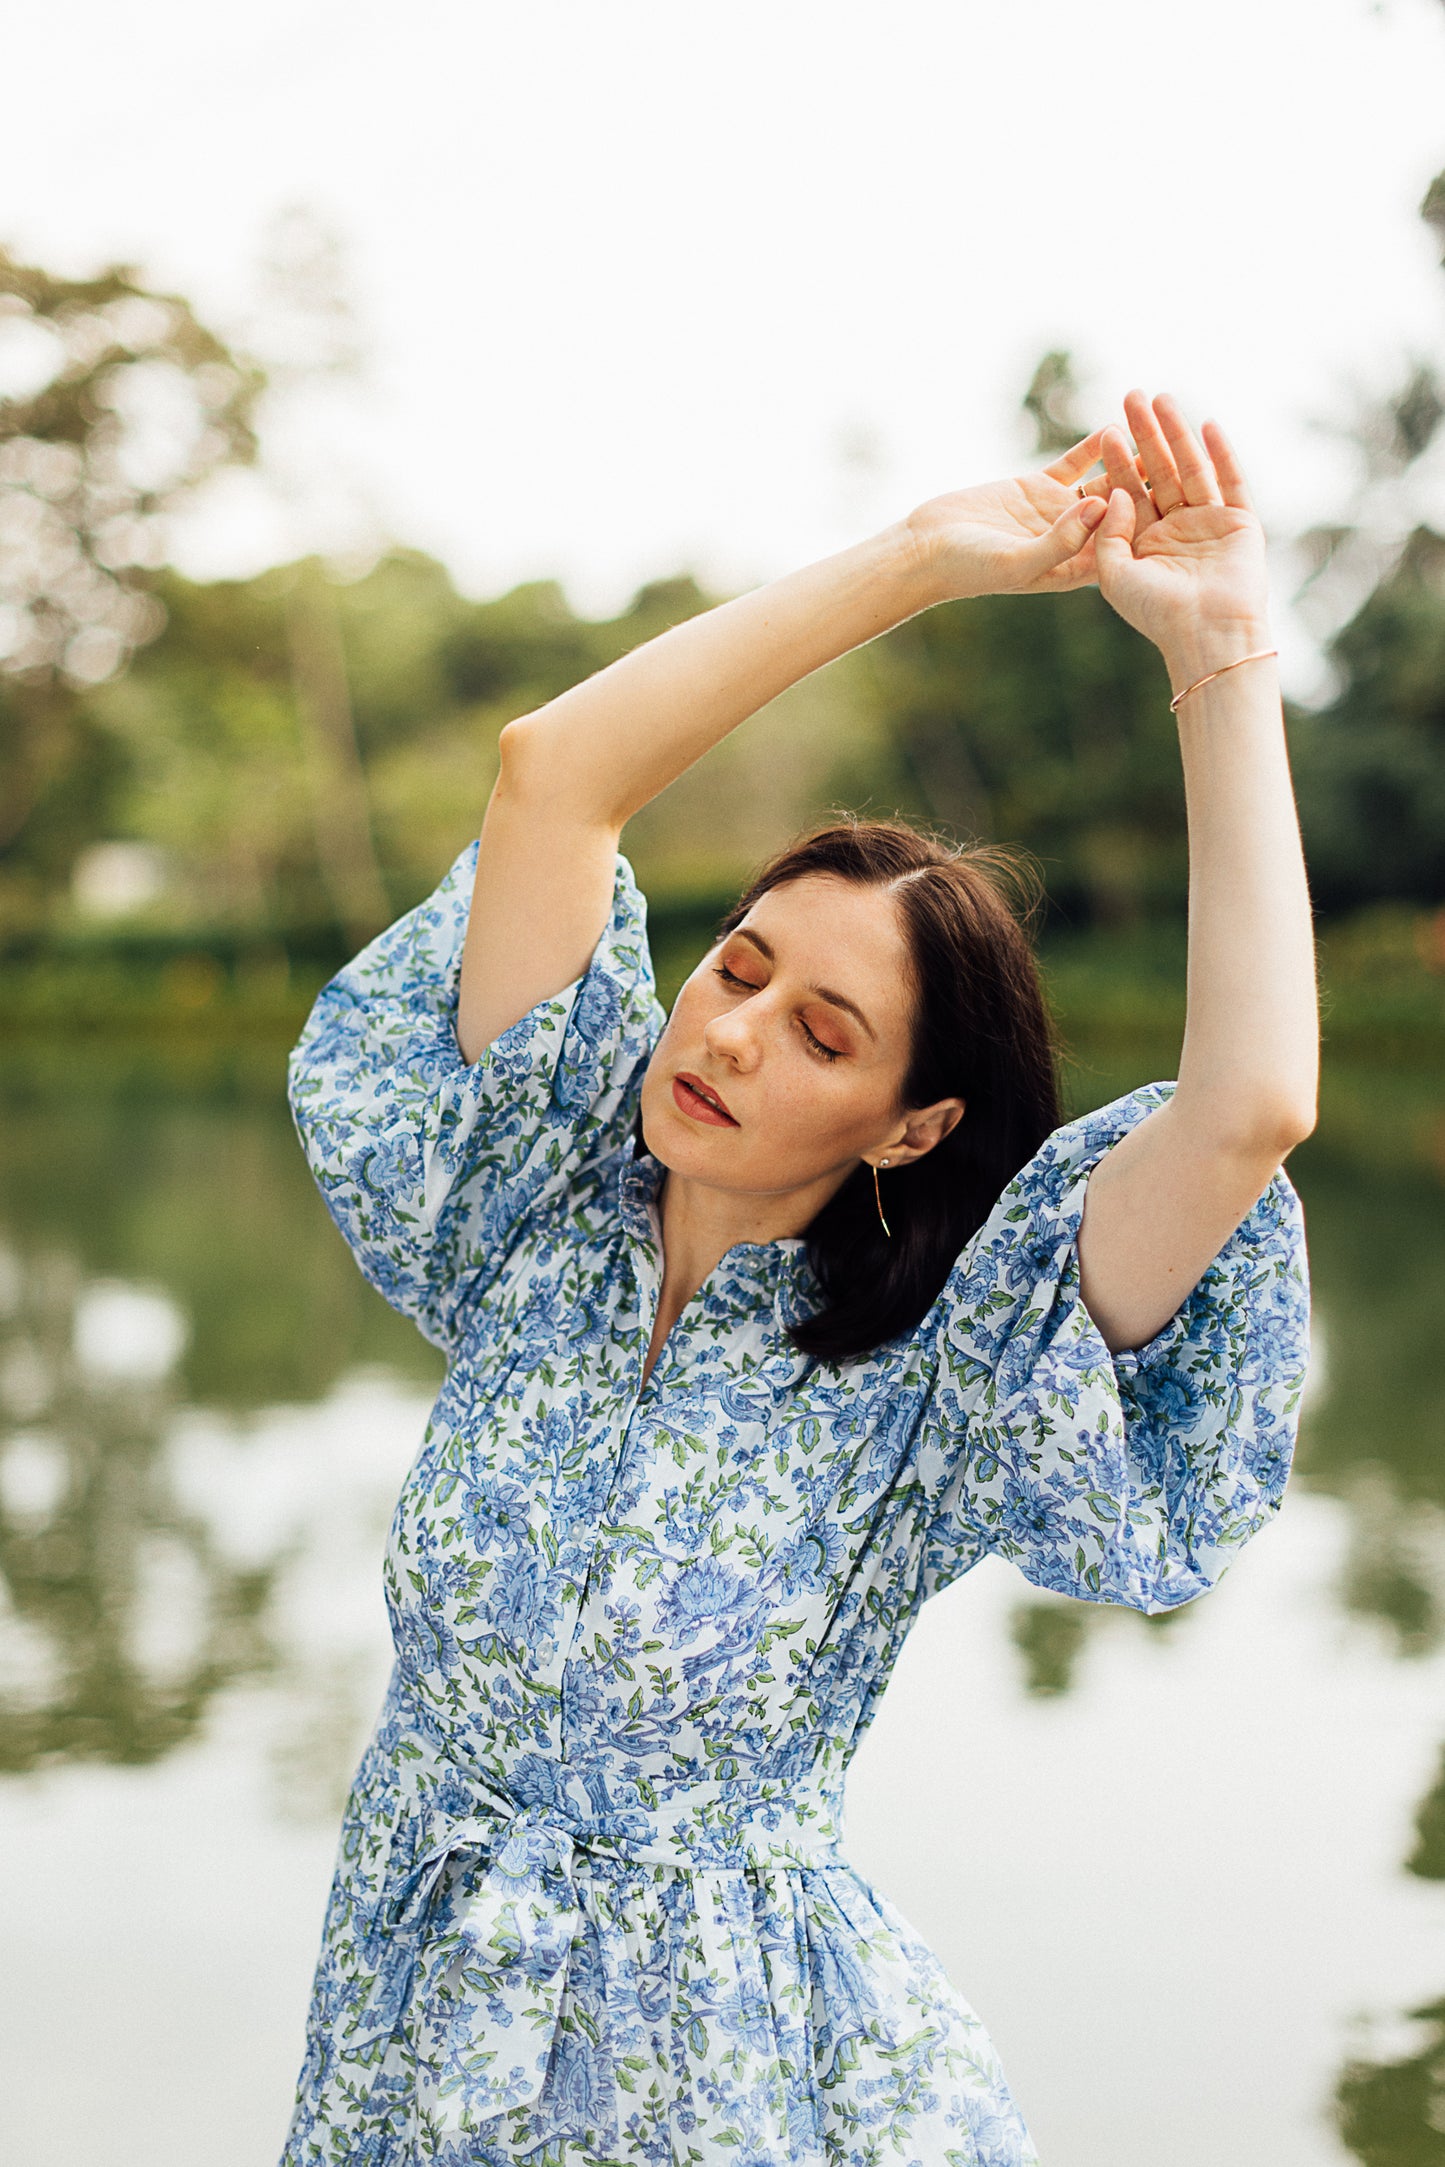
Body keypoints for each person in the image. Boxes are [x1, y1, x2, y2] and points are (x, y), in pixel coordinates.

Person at [280, 389, 1315, 2167]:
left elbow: (1247, 1110)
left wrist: (1218, 652)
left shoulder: (944, 1373)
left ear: (911, 1127)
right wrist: (921, 557)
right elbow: (556, 771)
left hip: (721, 2081)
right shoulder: (533, 1207)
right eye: (738, 969)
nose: (735, 1034)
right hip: (407, 2030)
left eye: (820, 1031)